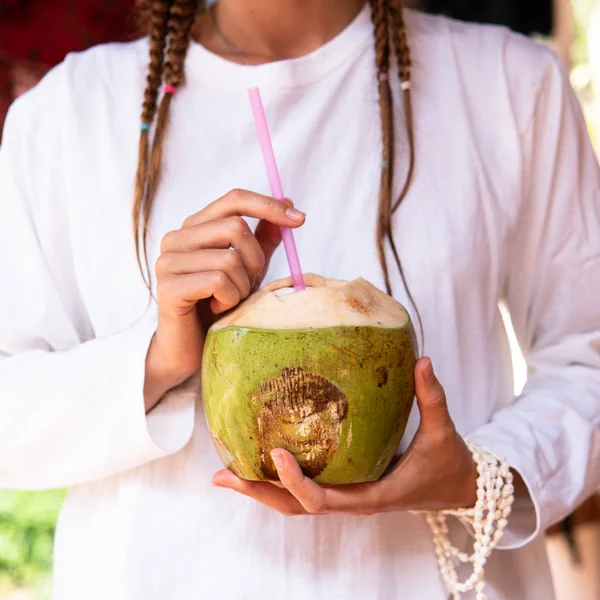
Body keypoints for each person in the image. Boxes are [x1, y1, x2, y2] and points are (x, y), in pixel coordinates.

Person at [0, 1, 598, 599]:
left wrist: (478, 475)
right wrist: (157, 358)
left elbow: (588, 357)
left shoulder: (510, 85)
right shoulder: (68, 113)